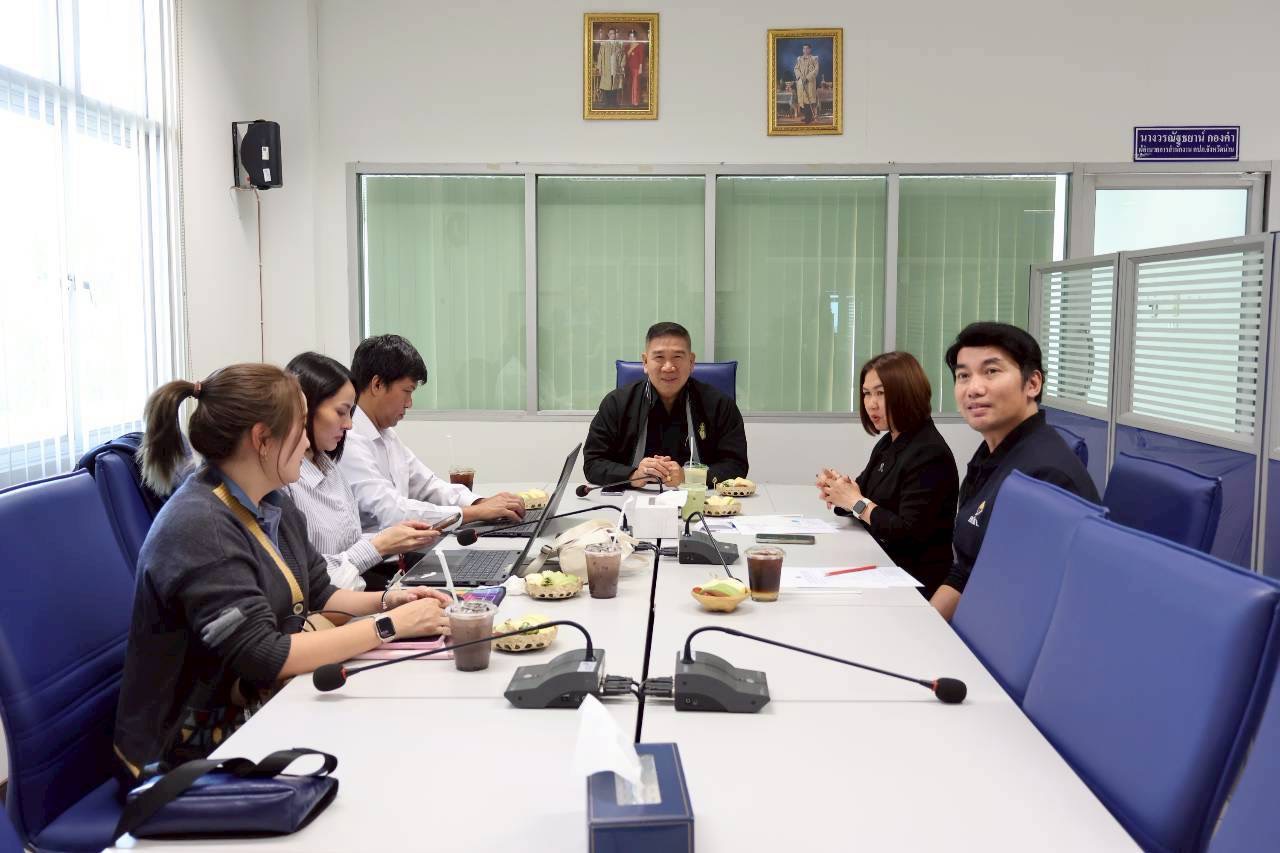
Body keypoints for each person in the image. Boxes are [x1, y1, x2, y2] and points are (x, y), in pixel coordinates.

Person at [114, 364, 452, 783]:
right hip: (186, 752)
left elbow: (320, 591)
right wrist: (389, 626)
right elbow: (264, 655)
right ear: (262, 439)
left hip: (255, 709)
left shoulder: (272, 501)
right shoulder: (200, 526)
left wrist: (389, 601)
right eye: (299, 428)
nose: (307, 441)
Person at [930, 322, 1099, 621]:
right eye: (963, 375)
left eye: (991, 371)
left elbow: (1032, 606)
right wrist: (927, 623)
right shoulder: (992, 453)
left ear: (1032, 384)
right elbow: (966, 570)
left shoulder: (1045, 478)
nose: (974, 388)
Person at [283, 352, 442, 591]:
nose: (349, 424)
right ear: (304, 411)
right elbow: (308, 578)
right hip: (335, 600)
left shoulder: (329, 467)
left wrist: (394, 536)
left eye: (350, 412)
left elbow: (350, 542)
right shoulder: (286, 484)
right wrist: (379, 545)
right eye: (341, 412)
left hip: (355, 590)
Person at [339, 334, 525, 533]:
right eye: (407, 391)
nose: (409, 403)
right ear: (377, 385)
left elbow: (428, 485)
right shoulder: (349, 440)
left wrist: (480, 502)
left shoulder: (387, 435)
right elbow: (392, 512)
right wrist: (474, 513)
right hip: (378, 551)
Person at [815, 352, 958, 598]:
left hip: (912, 582)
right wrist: (838, 489)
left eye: (881, 393)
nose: (871, 404)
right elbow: (862, 494)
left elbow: (907, 533)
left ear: (908, 393)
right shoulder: (889, 442)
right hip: (880, 563)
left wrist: (855, 502)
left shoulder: (929, 452)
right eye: (866, 393)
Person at [584, 321, 748, 489]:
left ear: (691, 361)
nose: (668, 367)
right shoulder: (616, 403)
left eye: (677, 357)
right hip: (633, 497)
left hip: (698, 498)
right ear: (645, 362)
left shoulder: (719, 405)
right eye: (659, 357)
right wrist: (634, 475)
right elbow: (593, 463)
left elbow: (737, 466)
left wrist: (688, 476)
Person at [596, 27, 625, 107]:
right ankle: (607, 102)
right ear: (608, 34)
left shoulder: (619, 44)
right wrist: (599, 67)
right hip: (606, 68)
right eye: (611, 33)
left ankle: (614, 102)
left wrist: (622, 65)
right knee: (607, 85)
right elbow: (600, 56)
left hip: (615, 68)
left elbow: (623, 56)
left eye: (614, 33)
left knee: (615, 85)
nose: (612, 35)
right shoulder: (604, 44)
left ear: (615, 35)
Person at [794, 43, 820, 124]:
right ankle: (806, 117)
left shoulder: (814, 59)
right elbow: (796, 68)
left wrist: (807, 78)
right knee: (803, 100)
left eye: (807, 48)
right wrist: (801, 77)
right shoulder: (799, 59)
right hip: (801, 82)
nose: (805, 50)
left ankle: (809, 118)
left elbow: (816, 70)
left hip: (809, 83)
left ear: (810, 49)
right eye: (804, 48)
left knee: (809, 99)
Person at [625, 28, 647, 107]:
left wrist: (640, 68)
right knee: (631, 84)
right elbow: (626, 57)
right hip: (629, 69)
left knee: (635, 85)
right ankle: (631, 100)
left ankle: (635, 101)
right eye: (630, 37)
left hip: (636, 68)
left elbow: (641, 58)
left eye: (633, 37)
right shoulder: (627, 46)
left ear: (635, 37)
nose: (631, 38)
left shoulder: (639, 46)